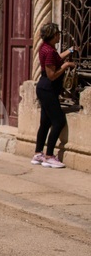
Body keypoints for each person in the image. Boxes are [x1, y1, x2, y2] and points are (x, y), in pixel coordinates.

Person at [32, 22, 77, 169]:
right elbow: (52, 75)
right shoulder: (49, 51)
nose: (59, 36)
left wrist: (70, 51)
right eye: (57, 34)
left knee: (45, 123)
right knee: (58, 121)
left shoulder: (46, 48)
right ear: (53, 35)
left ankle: (38, 153)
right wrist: (65, 66)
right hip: (48, 88)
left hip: (44, 87)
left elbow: (57, 58)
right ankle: (49, 156)